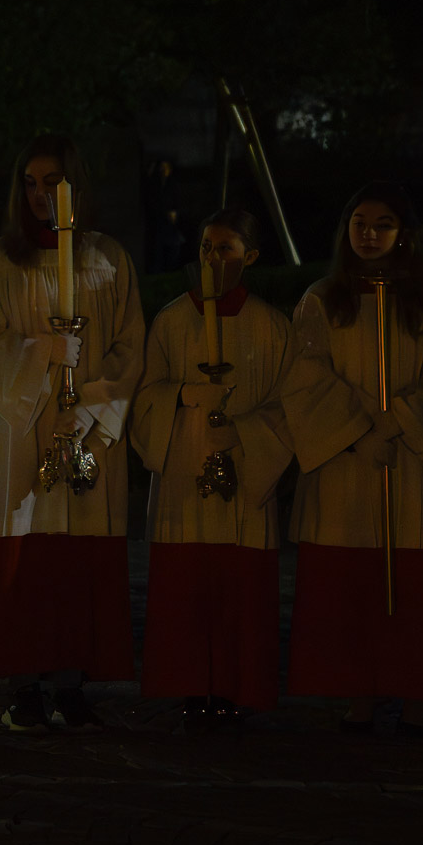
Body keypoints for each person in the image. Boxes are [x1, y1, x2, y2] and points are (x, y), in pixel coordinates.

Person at [0, 135, 143, 732]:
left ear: (77, 190)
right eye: (31, 184)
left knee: (76, 564)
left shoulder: (108, 260)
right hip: (21, 433)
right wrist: (42, 352)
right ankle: (24, 689)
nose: (41, 196)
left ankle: (71, 686)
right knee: (26, 561)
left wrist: (89, 410)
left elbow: (129, 347)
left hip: (87, 431)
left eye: (53, 184)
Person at [283, 183, 423, 736]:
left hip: (409, 463)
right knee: (350, 589)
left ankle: (415, 700)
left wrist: (399, 419)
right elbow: (305, 377)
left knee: (411, 587)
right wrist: (361, 429)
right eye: (359, 222)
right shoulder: (320, 300)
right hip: (345, 464)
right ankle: (357, 698)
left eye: (382, 224)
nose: (368, 234)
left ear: (403, 234)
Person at [130, 209, 293, 729]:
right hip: (181, 470)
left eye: (226, 248)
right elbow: (145, 396)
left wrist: (246, 431)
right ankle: (189, 684)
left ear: (251, 257)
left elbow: (290, 403)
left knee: (238, 586)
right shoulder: (173, 320)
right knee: (187, 585)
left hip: (246, 474)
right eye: (206, 247)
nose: (213, 258)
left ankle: (234, 685)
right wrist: (180, 393)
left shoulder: (271, 325)